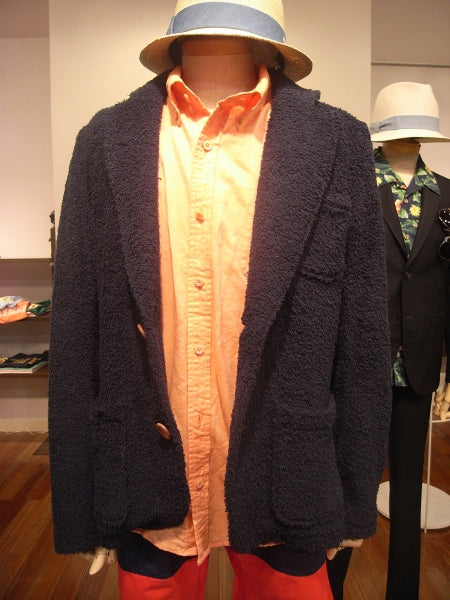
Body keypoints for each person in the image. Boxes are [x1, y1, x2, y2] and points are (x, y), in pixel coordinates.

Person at [48, 1, 392, 598]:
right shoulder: (105, 140)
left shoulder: (337, 141)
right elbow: (77, 330)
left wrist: (355, 495)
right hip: (144, 467)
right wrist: (79, 504)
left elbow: (361, 333)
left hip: (290, 465)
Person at [332, 81, 450, 600]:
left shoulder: (447, 194)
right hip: (357, 363)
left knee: (408, 492)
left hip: (419, 364)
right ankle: (331, 588)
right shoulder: (350, 188)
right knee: (348, 485)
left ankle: (403, 590)